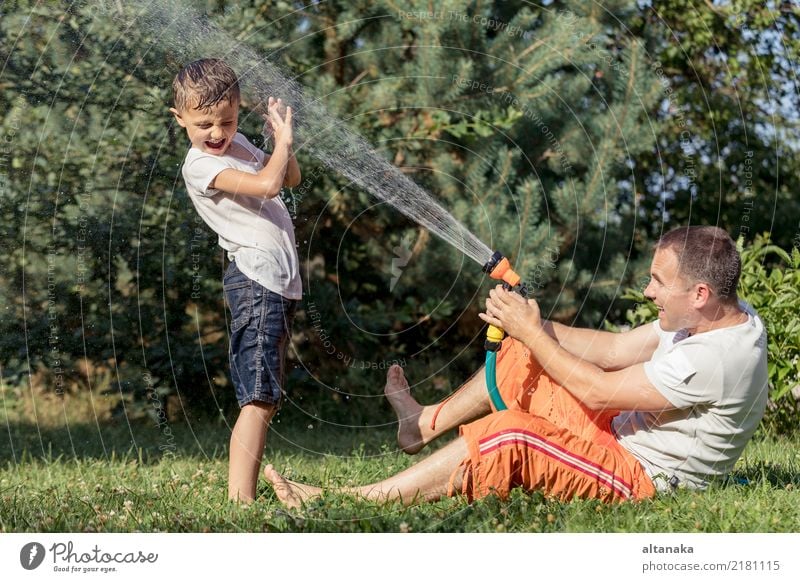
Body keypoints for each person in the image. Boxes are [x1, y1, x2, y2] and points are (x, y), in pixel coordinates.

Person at [264, 226, 768, 508]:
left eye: (658, 281)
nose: (649, 291)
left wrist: (529, 329)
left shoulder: (714, 359)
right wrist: (529, 323)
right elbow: (614, 351)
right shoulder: (713, 315)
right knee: (520, 355)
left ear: (699, 294)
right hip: (616, 434)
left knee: (511, 436)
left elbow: (596, 390)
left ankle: (353, 499)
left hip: (643, 475)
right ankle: (422, 424)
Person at [170, 58, 302, 503]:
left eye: (225, 120)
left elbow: (289, 177)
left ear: (238, 110)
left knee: (265, 395)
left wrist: (280, 143)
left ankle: (242, 494)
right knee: (258, 395)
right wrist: (279, 146)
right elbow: (266, 186)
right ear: (180, 119)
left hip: (275, 284)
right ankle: (240, 499)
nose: (216, 132)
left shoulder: (239, 143)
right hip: (254, 280)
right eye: (203, 123)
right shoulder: (199, 166)